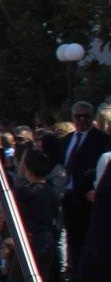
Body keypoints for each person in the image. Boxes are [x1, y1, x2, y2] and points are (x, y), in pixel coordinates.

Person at [0, 148, 64, 282]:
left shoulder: (25, 192)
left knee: (17, 280)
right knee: (41, 281)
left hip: (30, 238)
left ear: (28, 169)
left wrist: (9, 241)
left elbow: (18, 218)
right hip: (48, 239)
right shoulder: (52, 190)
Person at [58, 100, 109, 271]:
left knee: (87, 242)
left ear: (92, 117)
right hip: (68, 196)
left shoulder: (102, 140)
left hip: (88, 198)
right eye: (77, 116)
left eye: (85, 116)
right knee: (71, 241)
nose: (81, 120)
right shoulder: (67, 140)